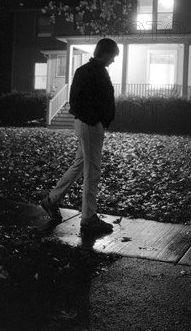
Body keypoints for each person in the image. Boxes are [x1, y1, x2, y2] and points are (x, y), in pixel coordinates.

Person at [41, 38, 118, 235]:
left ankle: (52, 200)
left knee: (79, 166)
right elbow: (76, 100)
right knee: (93, 170)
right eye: (113, 56)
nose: (114, 60)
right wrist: (95, 119)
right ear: (105, 52)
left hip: (92, 124)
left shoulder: (96, 71)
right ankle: (88, 218)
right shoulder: (87, 71)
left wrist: (102, 120)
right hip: (89, 125)